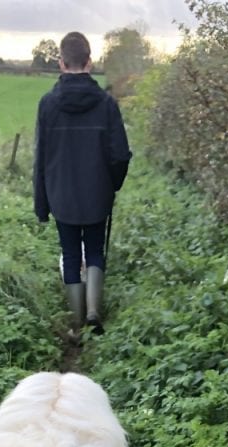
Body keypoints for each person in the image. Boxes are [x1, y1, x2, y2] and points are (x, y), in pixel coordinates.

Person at [33, 31, 132, 335]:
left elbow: (41, 158)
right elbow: (120, 155)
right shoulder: (107, 103)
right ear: (89, 62)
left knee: (71, 253)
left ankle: (76, 325)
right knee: (95, 250)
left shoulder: (47, 104)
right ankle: (93, 312)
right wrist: (112, 185)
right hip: (97, 193)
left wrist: (42, 204)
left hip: (61, 194)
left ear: (62, 63)